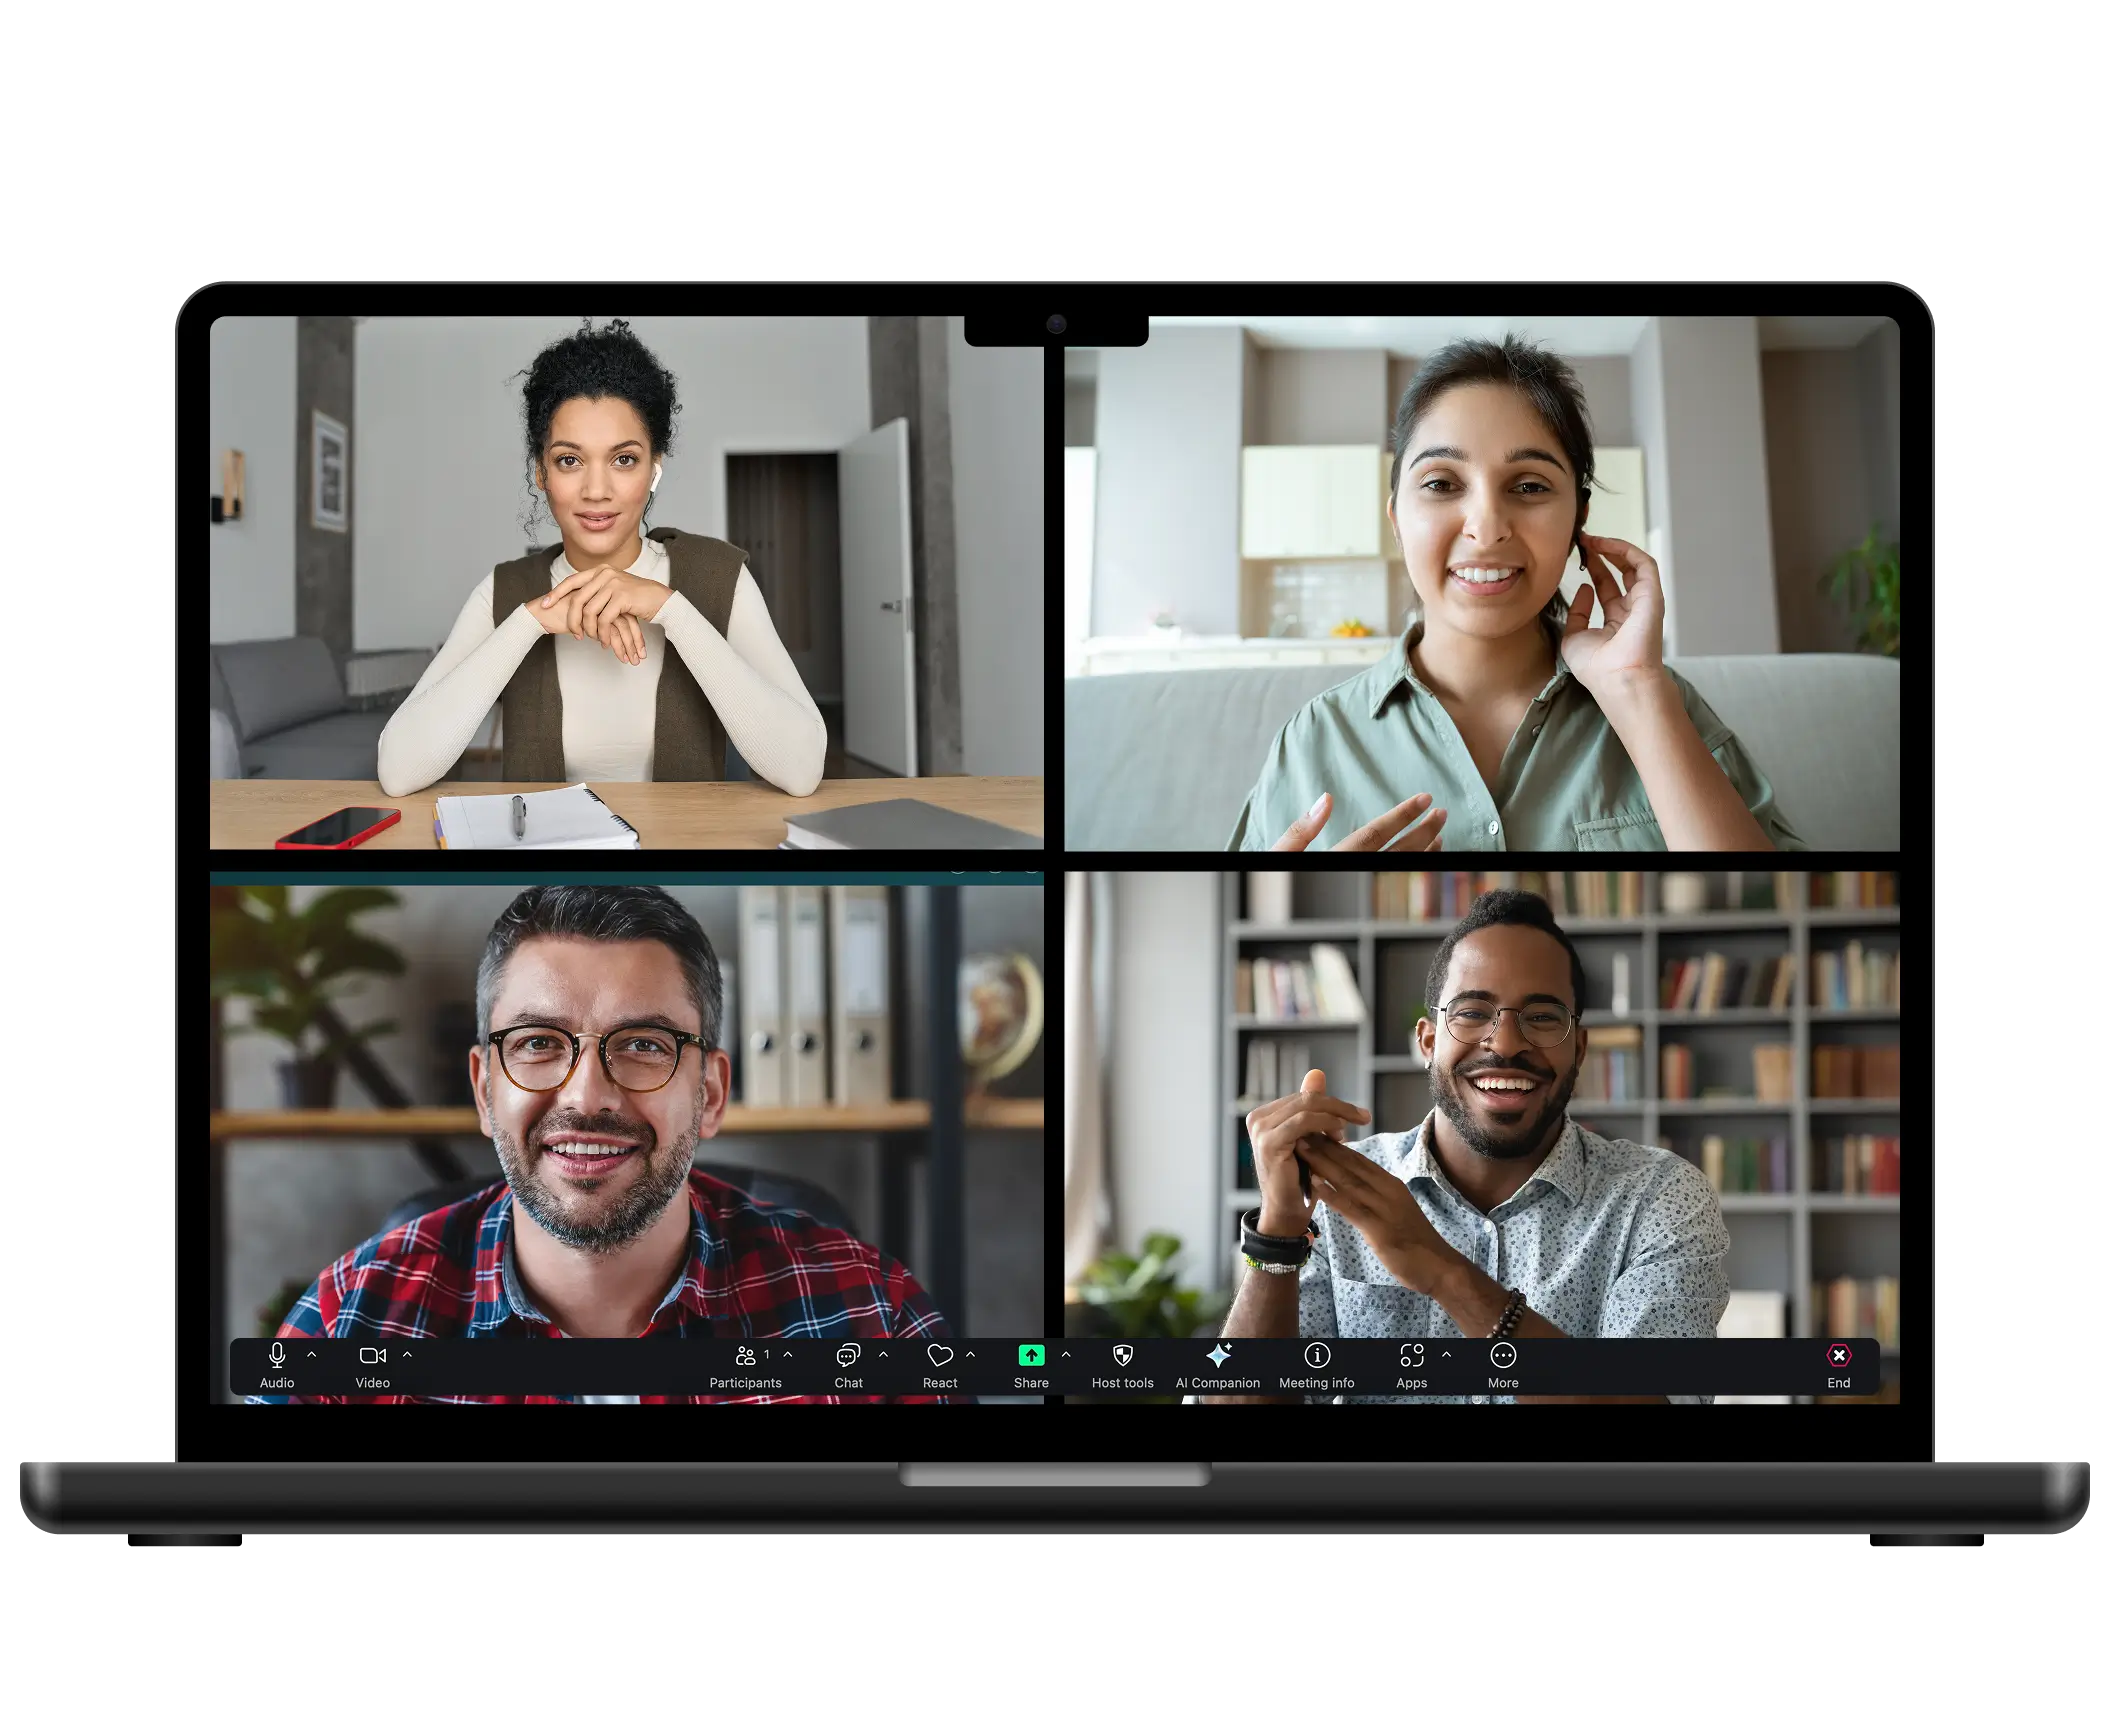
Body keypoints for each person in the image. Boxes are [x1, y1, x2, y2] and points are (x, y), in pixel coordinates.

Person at [250, 885, 966, 1404]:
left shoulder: (870, 1313)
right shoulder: (352, 1319)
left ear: (711, 1093)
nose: (586, 1096)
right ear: (482, 1087)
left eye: (645, 1045)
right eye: (536, 1043)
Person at [1227, 335, 1806, 852]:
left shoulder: (1659, 699)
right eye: (1441, 483)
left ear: (1578, 519)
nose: (1486, 526)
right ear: (1397, 519)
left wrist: (1636, 690)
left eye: (1529, 486)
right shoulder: (1312, 742)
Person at [1203, 888, 1729, 1404]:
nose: (1504, 1043)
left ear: (1579, 1047)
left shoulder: (1660, 1197)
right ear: (1428, 1041)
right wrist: (1277, 1237)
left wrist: (1443, 1273)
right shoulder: (1337, 1191)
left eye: (1543, 1017)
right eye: (1473, 1012)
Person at [376, 319, 827, 797]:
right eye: (570, 460)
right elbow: (399, 772)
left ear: (654, 469)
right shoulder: (504, 591)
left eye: (624, 459)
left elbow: (801, 772)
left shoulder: (718, 577)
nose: (596, 491)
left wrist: (670, 610)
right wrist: (532, 620)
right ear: (541, 474)